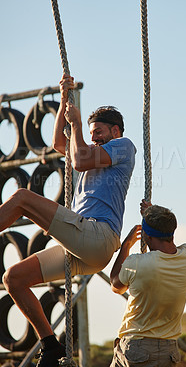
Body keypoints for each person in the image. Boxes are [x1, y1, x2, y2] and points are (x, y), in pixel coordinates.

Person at [2, 74, 136, 367]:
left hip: (97, 235)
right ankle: (50, 346)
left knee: (23, 198)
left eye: (99, 132)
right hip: (82, 246)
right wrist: (65, 99)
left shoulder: (123, 146)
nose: (94, 137)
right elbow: (58, 144)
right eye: (91, 132)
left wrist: (76, 123)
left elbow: (78, 160)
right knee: (13, 278)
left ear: (115, 130)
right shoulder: (88, 151)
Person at [109, 202, 186, 366]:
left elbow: (116, 285)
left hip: (137, 346)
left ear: (146, 236)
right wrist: (153, 213)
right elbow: (168, 244)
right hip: (169, 349)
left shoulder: (137, 263)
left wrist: (126, 246)